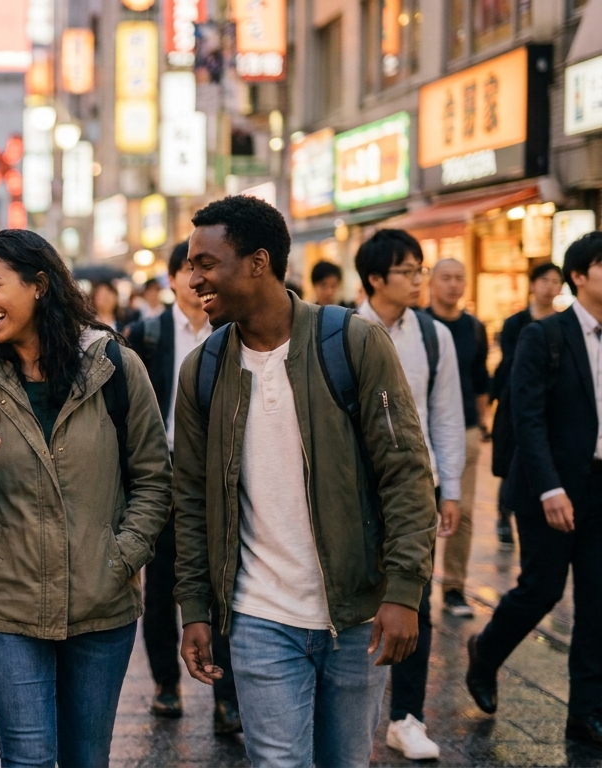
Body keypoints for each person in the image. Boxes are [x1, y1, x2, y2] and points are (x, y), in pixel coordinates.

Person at [172, 196, 437, 768]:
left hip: (357, 612)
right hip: (259, 615)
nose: (193, 280)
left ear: (258, 262)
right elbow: (190, 500)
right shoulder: (203, 370)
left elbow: (406, 472)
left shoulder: (353, 343)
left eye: (206, 263)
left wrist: (403, 591)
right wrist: (194, 606)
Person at [0, 230, 172, 766]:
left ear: (40, 284)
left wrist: (121, 558)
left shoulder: (114, 366)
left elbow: (155, 479)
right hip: (8, 608)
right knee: (28, 760)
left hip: (101, 604)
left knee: (87, 758)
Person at [466, 232, 602, 748]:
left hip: (600, 485)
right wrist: (549, 488)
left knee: (598, 599)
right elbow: (527, 417)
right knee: (543, 588)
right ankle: (486, 653)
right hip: (550, 485)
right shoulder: (544, 337)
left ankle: (586, 713)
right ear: (579, 277)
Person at [122, 242, 241, 733]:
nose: (197, 282)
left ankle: (227, 696)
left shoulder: (233, 332)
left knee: (226, 584)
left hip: (220, 474)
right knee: (162, 581)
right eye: (188, 271)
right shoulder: (148, 336)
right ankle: (166, 683)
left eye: (204, 269)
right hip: (161, 475)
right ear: (171, 281)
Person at [354, 229, 464, 761]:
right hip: (355, 490)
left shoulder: (433, 336)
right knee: (357, 603)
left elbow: (446, 414)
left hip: (418, 487)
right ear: (375, 278)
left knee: (413, 598)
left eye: (420, 269)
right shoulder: (342, 330)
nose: (418, 280)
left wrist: (452, 487)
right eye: (409, 271)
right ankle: (357, 724)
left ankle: (406, 718)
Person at [427, 258, 490, 619]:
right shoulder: (420, 326)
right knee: (421, 512)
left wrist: (479, 423)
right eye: (446, 278)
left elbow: (481, 380)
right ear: (433, 283)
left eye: (459, 278)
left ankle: (454, 587)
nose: (453, 285)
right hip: (424, 429)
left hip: (464, 427)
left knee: (461, 511)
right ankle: (416, 584)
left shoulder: (474, 328)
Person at [490, 262, 564, 549]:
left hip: (551, 408)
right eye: (545, 280)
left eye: (556, 281)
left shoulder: (562, 323)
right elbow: (508, 367)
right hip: (513, 404)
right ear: (533, 284)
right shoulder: (515, 323)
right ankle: (504, 514)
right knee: (512, 462)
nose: (550, 286)